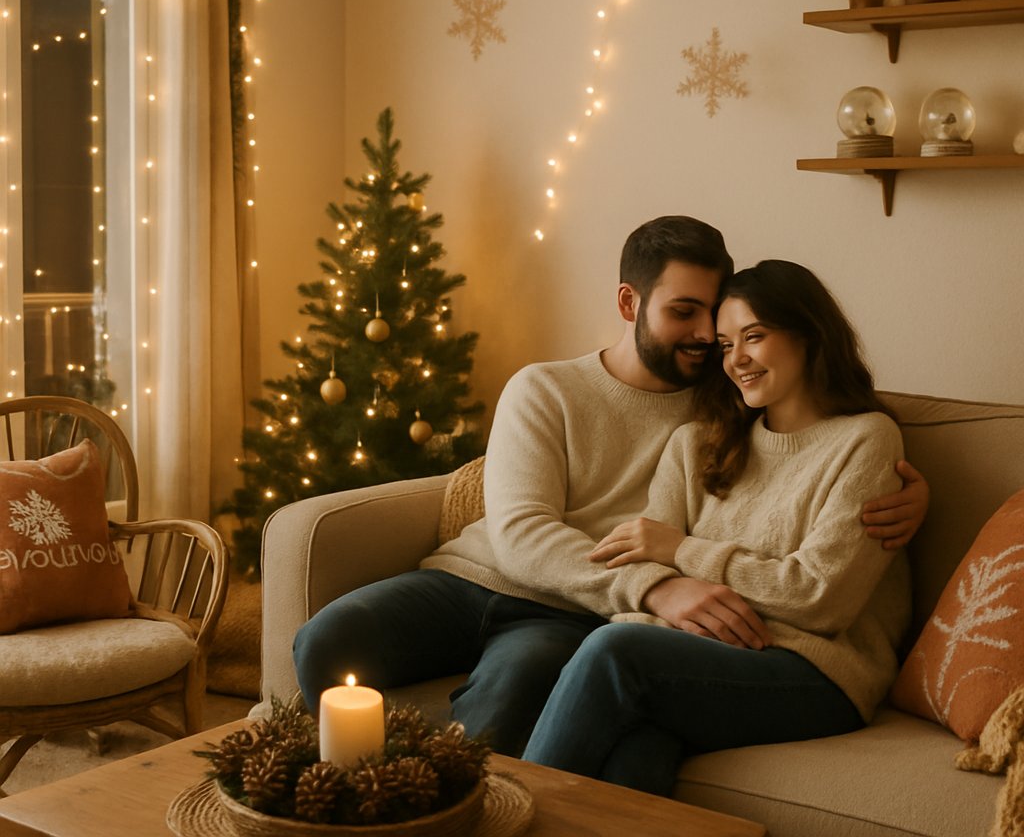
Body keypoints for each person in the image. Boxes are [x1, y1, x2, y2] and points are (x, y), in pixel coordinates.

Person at [293, 219, 927, 756]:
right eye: (685, 313)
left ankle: (452, 806)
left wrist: (912, 497)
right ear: (630, 304)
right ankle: (359, 798)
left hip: (573, 610)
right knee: (327, 638)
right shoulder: (545, 389)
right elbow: (521, 535)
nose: (710, 339)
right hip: (475, 578)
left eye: (722, 322)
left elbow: (813, 448)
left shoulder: (723, 408)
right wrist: (656, 586)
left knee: (512, 697)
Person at [522, 260, 912, 794]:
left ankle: (509, 816)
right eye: (726, 345)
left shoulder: (866, 440)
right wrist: (667, 561)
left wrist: (683, 549)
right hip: (702, 656)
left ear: (809, 334)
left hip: (818, 674)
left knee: (614, 654)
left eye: (755, 337)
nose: (738, 360)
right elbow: (641, 569)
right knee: (637, 747)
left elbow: (820, 599)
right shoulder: (696, 445)